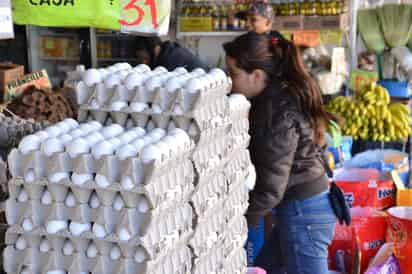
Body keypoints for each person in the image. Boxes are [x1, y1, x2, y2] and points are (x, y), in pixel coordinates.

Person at [223, 32, 337, 274]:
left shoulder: (275, 112)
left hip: (304, 215)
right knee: (265, 268)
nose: (229, 82)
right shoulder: (276, 98)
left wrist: (236, 222)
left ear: (256, 75)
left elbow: (271, 187)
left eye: (233, 74)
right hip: (305, 208)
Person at [135, 36, 209, 71]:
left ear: (156, 49)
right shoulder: (168, 50)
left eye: (145, 58)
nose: (143, 63)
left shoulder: (170, 58)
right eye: (140, 59)